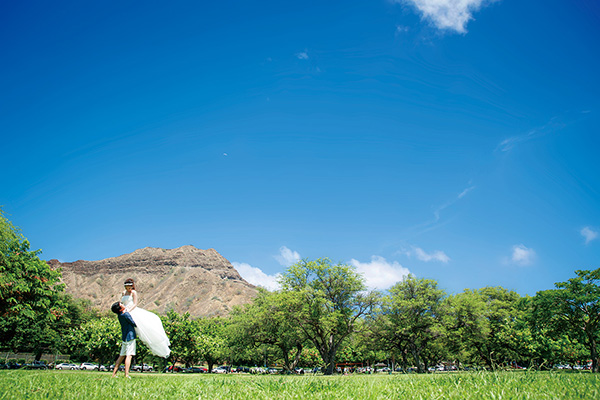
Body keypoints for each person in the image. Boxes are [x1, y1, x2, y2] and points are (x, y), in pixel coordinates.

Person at [120, 278, 171, 358]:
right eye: (127, 288)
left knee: (145, 327)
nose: (128, 289)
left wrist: (128, 310)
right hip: (125, 311)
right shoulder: (123, 293)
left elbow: (135, 303)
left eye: (130, 287)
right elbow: (122, 302)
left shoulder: (133, 292)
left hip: (131, 310)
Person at [111, 301, 137, 378]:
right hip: (130, 337)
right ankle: (126, 374)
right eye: (121, 304)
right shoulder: (125, 314)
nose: (123, 304)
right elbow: (133, 323)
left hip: (124, 337)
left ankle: (114, 374)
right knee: (129, 356)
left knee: (121, 355)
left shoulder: (120, 316)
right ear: (120, 309)